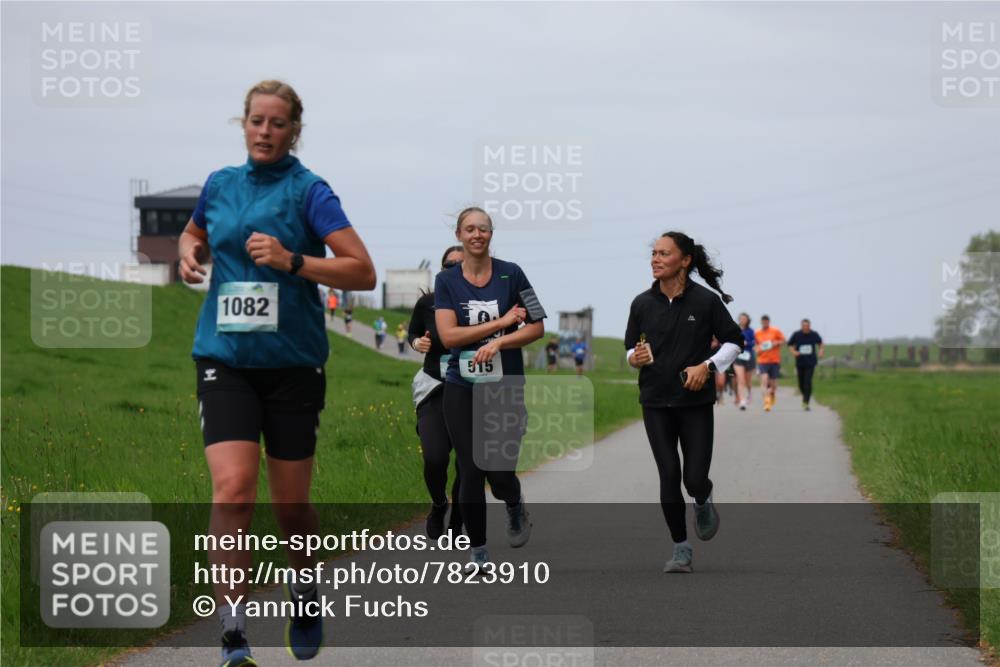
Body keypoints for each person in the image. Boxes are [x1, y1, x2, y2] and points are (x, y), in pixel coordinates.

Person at [177, 79, 376, 667]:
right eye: (257, 121)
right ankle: (233, 635)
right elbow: (194, 230)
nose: (266, 131)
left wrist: (293, 260)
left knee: (292, 508)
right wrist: (187, 251)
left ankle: (305, 589)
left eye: (278, 123)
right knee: (234, 491)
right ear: (243, 124)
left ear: (295, 130)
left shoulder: (309, 191)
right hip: (225, 360)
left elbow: (361, 271)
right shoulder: (219, 184)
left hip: (292, 366)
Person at [435, 207, 546, 573]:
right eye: (470, 229)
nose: (477, 235)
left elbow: (536, 328)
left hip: (504, 385)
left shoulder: (512, 274)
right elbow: (449, 335)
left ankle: (513, 502)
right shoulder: (447, 281)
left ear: (491, 234)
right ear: (459, 234)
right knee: (470, 468)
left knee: (498, 475)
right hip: (461, 385)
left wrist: (501, 343)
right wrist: (500, 323)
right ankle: (478, 553)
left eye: (483, 229)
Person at [624, 231, 743, 574]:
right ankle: (681, 548)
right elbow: (631, 347)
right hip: (655, 402)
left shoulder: (705, 302)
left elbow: (735, 341)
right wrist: (636, 357)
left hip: (694, 403)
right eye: (654, 253)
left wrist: (707, 366)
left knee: (693, 479)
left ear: (685, 260)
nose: (655, 259)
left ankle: (703, 500)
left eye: (664, 253)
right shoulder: (641, 303)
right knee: (669, 475)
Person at [408, 245, 465, 539]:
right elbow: (412, 334)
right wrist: (418, 344)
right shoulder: (428, 303)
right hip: (435, 387)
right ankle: (439, 503)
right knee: (435, 457)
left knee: (467, 462)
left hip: (471, 389)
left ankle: (459, 515)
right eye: (448, 265)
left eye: (461, 264)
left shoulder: (485, 304)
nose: (454, 269)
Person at [788, 318, 824, 410]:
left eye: (807, 326)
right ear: (801, 326)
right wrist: (793, 352)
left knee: (807, 382)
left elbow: (820, 343)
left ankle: (806, 402)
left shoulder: (814, 334)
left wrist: (821, 351)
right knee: (801, 384)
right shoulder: (797, 335)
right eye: (804, 326)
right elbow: (790, 344)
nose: (805, 327)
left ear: (809, 326)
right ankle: (806, 396)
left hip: (811, 362)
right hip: (800, 362)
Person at [755, 315, 785, 412]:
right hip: (762, 361)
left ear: (769, 322)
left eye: (766, 322)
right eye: (763, 322)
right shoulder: (757, 333)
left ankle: (772, 394)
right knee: (764, 380)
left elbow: (784, 340)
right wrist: (757, 349)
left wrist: (777, 343)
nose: (765, 323)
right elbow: (755, 345)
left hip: (774, 360)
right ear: (761, 322)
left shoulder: (775, 331)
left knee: (773, 385)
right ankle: (766, 402)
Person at [733, 313, 756, 410]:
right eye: (741, 318)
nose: (742, 320)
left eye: (744, 319)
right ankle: (742, 401)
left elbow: (755, 342)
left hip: (749, 357)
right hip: (738, 357)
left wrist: (747, 343)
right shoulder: (735, 329)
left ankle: (749, 392)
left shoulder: (751, 331)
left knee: (748, 381)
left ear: (747, 320)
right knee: (740, 380)